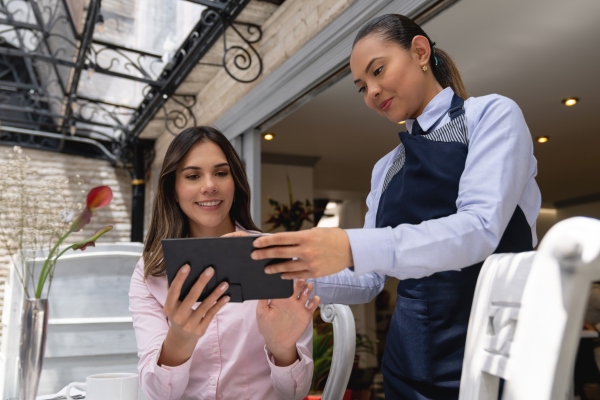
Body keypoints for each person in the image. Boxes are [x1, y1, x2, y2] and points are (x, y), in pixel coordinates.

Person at [249, 14, 541, 399]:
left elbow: (479, 228)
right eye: (361, 86)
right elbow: (370, 279)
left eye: (378, 71)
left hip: (493, 355)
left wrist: (350, 246)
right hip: (407, 363)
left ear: (420, 52)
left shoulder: (490, 116)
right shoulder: (386, 168)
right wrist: (276, 267)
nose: (371, 92)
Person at [129, 126, 320, 400]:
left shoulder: (278, 255)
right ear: (173, 190)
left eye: (221, 173)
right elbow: (158, 394)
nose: (210, 186)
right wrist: (179, 342)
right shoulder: (150, 273)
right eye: (193, 176)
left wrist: (282, 350)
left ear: (235, 182)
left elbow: (294, 393)